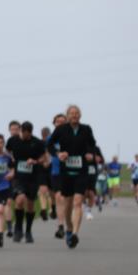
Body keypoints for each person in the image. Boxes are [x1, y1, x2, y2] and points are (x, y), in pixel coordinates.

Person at [47, 105, 97, 249]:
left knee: (78, 201)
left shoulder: (86, 129)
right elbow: (50, 144)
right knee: (68, 204)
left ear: (80, 115)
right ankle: (69, 229)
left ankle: (75, 233)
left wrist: (90, 153)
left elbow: (92, 144)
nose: (74, 115)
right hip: (66, 171)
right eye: (71, 113)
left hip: (81, 170)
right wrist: (58, 154)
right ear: (67, 115)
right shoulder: (61, 129)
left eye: (76, 113)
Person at [8, 121, 47, 243]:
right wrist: (12, 159)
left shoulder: (37, 142)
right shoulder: (13, 140)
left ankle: (28, 231)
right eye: (23, 133)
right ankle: (18, 228)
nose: (25, 136)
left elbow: (44, 157)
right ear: (21, 131)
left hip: (33, 177)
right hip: (18, 177)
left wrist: (35, 161)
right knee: (19, 200)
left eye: (28, 134)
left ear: (31, 132)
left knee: (30, 204)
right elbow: (8, 151)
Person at [48, 113, 67, 239]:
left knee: (68, 200)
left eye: (62, 122)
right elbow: (47, 150)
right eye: (58, 122)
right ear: (54, 124)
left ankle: (69, 224)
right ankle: (61, 226)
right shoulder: (51, 138)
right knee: (59, 197)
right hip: (56, 172)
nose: (60, 124)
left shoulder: (72, 136)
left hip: (70, 172)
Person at [3, 120, 21, 237]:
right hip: (10, 175)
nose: (14, 131)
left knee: (19, 202)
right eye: (12, 129)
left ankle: (18, 224)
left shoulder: (24, 141)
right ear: (9, 130)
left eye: (16, 129)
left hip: (21, 176)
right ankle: (9, 227)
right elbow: (6, 155)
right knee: (9, 201)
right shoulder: (9, 142)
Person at [37, 126, 53, 221]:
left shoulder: (38, 143)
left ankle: (43, 208)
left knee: (42, 190)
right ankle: (50, 209)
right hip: (50, 168)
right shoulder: (52, 143)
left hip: (41, 168)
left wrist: (42, 161)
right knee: (49, 191)